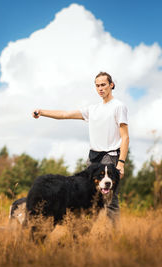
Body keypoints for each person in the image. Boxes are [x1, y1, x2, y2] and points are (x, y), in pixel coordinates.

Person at [32, 71, 129, 223]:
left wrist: (121, 163)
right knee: (87, 195)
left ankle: (115, 236)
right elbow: (65, 114)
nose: (100, 88)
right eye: (97, 86)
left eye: (103, 85)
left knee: (110, 199)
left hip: (110, 156)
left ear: (111, 85)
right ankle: (83, 230)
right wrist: (42, 112)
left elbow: (125, 137)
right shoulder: (93, 109)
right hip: (93, 158)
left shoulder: (118, 107)